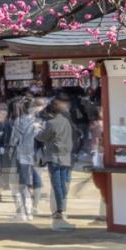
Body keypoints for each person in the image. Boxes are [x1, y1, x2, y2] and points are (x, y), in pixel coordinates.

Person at [40, 96, 76, 229]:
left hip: (54, 156)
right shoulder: (66, 122)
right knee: (63, 184)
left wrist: (37, 131)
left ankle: (59, 210)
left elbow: (43, 137)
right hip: (66, 156)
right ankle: (62, 207)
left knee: (56, 185)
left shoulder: (51, 123)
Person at [8, 97, 44, 222]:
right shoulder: (39, 121)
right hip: (37, 155)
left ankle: (25, 211)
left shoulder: (19, 121)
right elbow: (42, 138)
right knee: (36, 182)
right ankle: (33, 208)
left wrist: (10, 151)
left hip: (22, 154)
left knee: (22, 184)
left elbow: (14, 139)